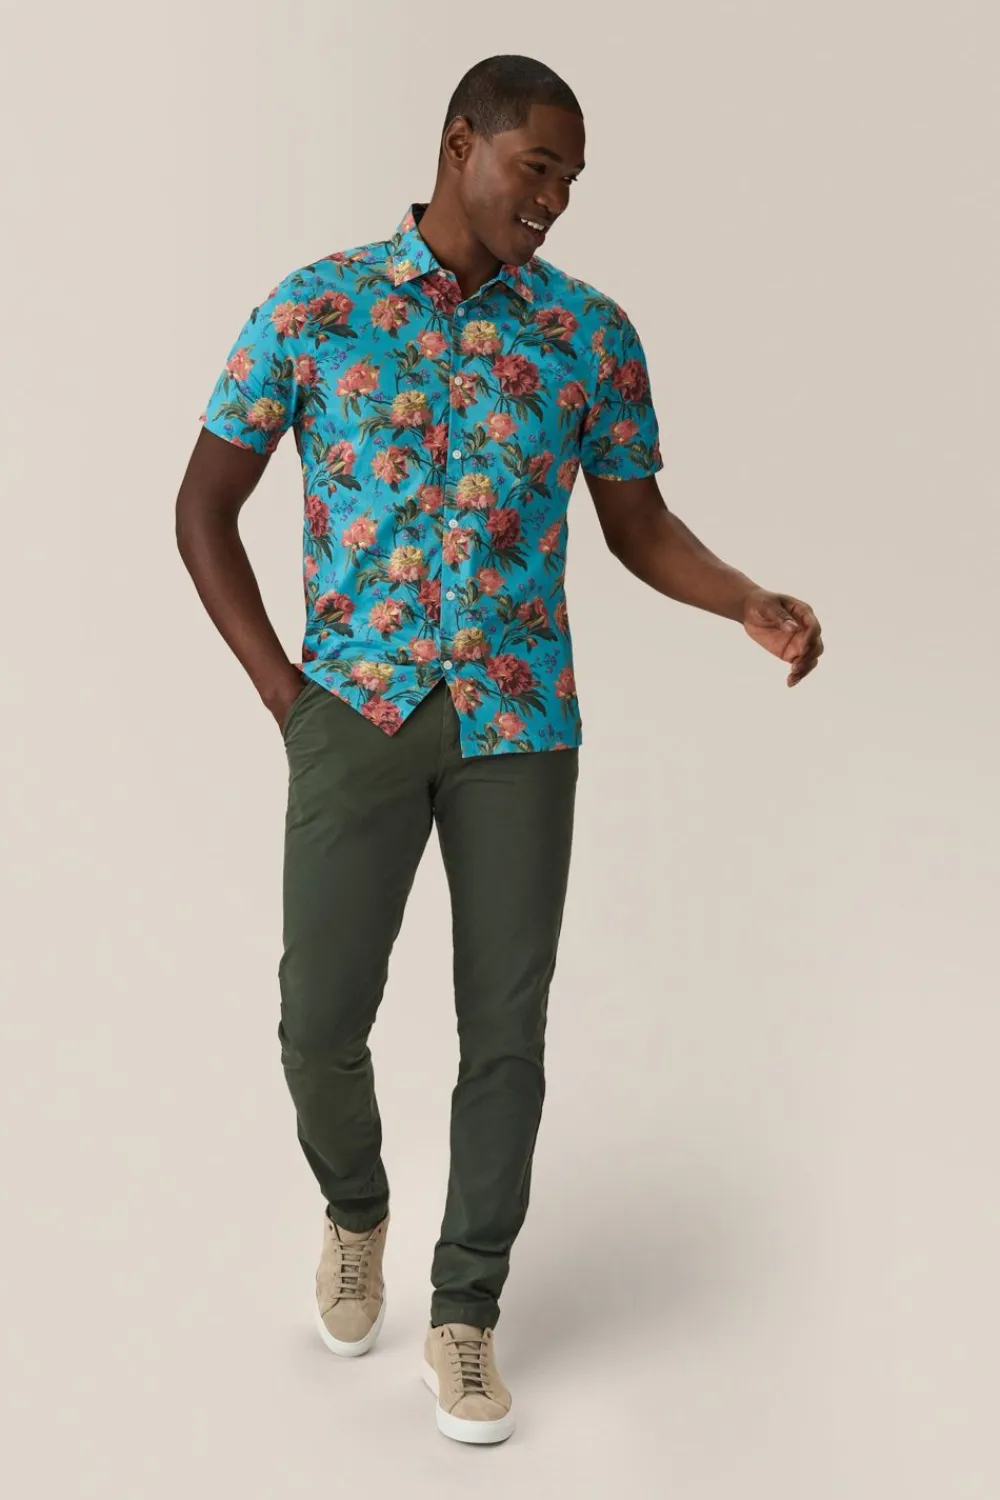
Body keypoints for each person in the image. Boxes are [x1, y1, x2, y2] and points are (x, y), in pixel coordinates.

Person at [174, 53, 824, 1446]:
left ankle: (465, 1311)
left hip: (522, 727)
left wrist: (743, 599)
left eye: (572, 183)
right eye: (538, 169)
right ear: (460, 142)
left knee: (506, 1033)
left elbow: (638, 525)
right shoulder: (317, 307)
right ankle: (357, 1210)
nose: (555, 201)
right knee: (317, 1021)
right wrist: (288, 698)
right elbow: (203, 506)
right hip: (354, 714)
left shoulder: (590, 335)